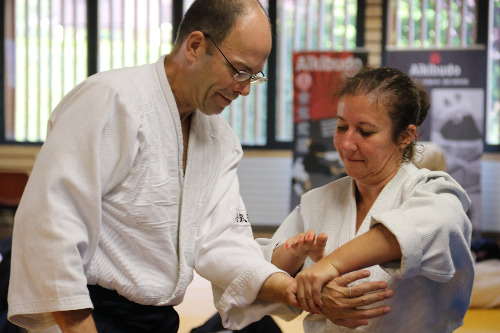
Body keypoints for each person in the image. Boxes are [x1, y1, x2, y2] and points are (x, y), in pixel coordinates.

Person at [7, 1, 392, 332]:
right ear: (195, 46)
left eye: (253, 76)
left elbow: (222, 242)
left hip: (154, 319)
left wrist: (300, 291)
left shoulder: (218, 138)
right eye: (238, 70)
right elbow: (50, 227)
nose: (244, 88)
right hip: (83, 315)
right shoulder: (111, 101)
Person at [257, 67, 475, 332]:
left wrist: (330, 265)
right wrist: (298, 270)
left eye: (366, 132)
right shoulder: (318, 201)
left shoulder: (433, 191)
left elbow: (435, 226)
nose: (346, 144)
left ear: (406, 136)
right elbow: (259, 274)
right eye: (341, 127)